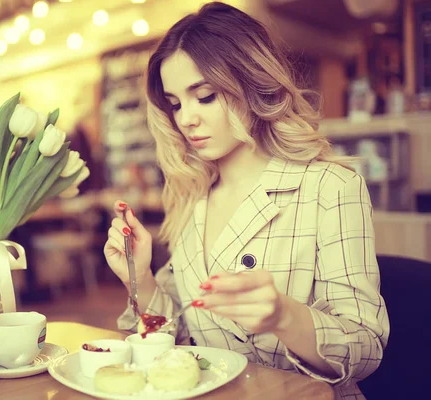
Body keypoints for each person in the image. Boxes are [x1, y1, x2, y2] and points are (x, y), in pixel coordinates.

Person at [102, 2, 389, 399]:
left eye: (204, 96)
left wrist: (284, 316)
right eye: (175, 103)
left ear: (251, 84)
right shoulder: (191, 196)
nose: (186, 118)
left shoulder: (330, 188)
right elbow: (179, 339)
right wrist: (141, 276)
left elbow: (366, 347)